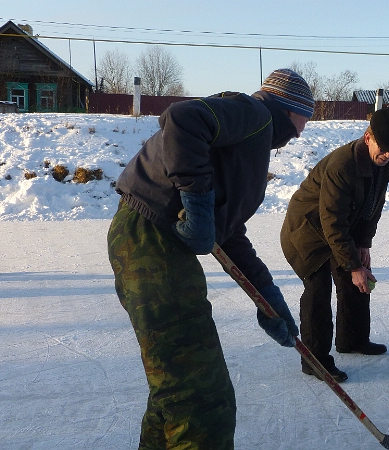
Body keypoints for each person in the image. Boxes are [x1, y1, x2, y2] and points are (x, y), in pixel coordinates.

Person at [107, 68, 312, 449]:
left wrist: (266, 294)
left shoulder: (247, 144)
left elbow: (228, 233)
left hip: (153, 241)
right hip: (149, 237)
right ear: (289, 110)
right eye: (306, 118)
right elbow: (183, 118)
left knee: (177, 386)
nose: (302, 132)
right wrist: (197, 199)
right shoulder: (254, 114)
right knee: (202, 400)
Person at [280, 108, 389, 383]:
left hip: (337, 227)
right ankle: (315, 361)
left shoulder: (381, 166)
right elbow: (332, 222)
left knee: (357, 277)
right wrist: (352, 265)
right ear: (368, 137)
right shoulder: (342, 165)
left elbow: (372, 207)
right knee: (319, 287)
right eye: (384, 149)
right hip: (306, 230)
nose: (387, 156)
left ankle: (353, 339)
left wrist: (362, 245)